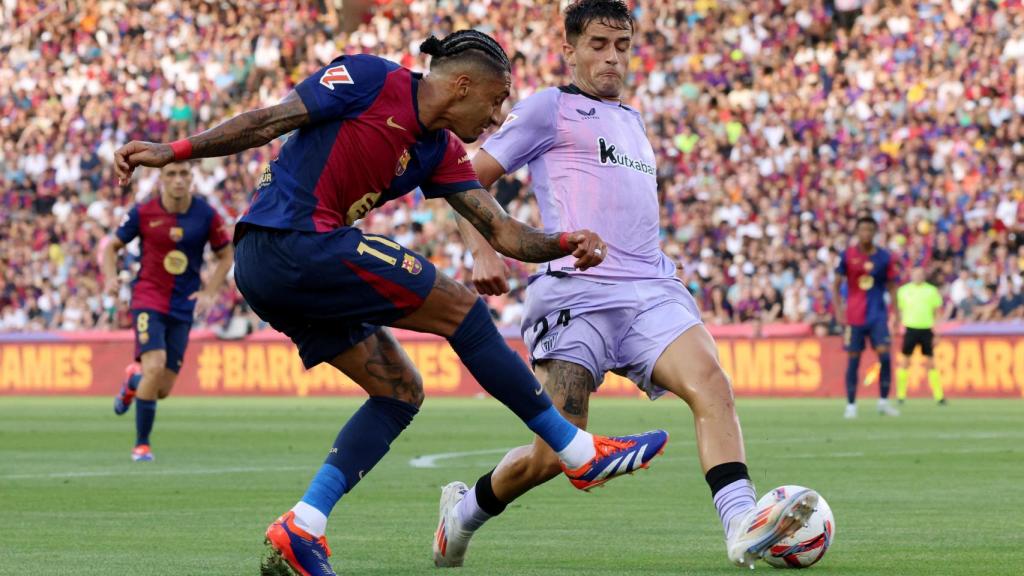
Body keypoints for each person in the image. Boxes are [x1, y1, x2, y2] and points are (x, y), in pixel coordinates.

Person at [113, 30, 668, 576]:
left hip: (286, 270)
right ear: (462, 86)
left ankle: (303, 525)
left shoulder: (441, 150)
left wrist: (562, 242)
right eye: (496, 102)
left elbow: (501, 231)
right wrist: (174, 150)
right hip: (289, 240)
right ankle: (576, 452)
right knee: (462, 310)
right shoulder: (369, 77)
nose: (498, 118)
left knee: (399, 391)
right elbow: (268, 121)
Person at [433, 2, 818, 570]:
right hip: (574, 296)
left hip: (650, 290)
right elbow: (462, 175)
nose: (611, 57)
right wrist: (482, 247)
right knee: (553, 455)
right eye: (597, 45)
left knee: (712, 384)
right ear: (569, 50)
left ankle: (740, 523)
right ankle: (464, 513)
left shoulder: (633, 121)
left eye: (621, 45)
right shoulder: (549, 108)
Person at [103, 162, 234, 462]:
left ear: (191, 178)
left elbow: (226, 255)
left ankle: (132, 384)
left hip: (183, 304)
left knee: (161, 387)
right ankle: (142, 445)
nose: (178, 180)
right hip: (148, 297)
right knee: (154, 365)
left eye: (183, 174)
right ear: (161, 179)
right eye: (171, 174)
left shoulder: (206, 215)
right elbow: (112, 247)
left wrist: (210, 291)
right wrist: (111, 277)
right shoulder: (143, 211)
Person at [833, 216, 901, 418]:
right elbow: (836, 285)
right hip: (854, 316)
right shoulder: (848, 255)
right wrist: (838, 310)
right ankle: (851, 405)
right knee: (853, 360)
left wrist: (896, 313)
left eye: (870, 230)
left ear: (875, 232)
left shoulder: (884, 257)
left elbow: (892, 286)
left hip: (878, 315)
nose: (867, 234)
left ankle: (883, 401)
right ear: (857, 232)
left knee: (886, 357)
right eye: (863, 230)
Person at [895, 267, 945, 405]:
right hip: (910, 329)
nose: (918, 276)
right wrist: (897, 326)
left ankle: (939, 396)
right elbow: (898, 310)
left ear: (924, 275)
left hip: (926, 329)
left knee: (931, 363)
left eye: (920, 274)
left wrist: (937, 332)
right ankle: (900, 395)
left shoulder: (931, 290)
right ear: (911, 275)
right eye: (915, 274)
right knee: (905, 361)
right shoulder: (903, 291)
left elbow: (937, 312)